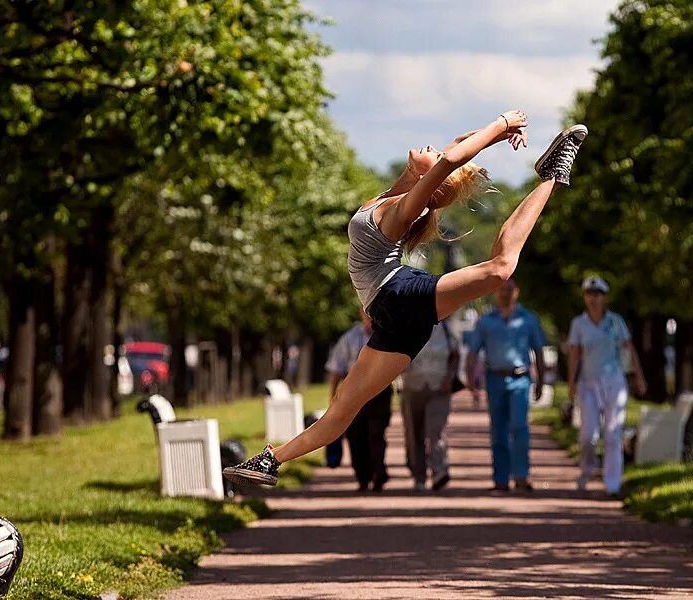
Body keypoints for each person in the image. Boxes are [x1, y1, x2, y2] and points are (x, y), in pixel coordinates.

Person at [223, 110, 588, 487]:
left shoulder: (402, 212)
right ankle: (270, 460)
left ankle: (553, 176)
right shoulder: (392, 194)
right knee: (342, 410)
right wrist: (497, 136)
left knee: (500, 268)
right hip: (391, 317)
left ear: (432, 182)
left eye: (436, 165)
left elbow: (449, 160)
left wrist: (500, 123)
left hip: (399, 296)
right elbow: (453, 150)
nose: (433, 147)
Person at [566, 275, 647, 498]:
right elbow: (574, 355)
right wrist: (572, 383)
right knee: (588, 435)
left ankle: (612, 483)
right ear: (585, 298)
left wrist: (638, 376)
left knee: (613, 433)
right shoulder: (579, 324)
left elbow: (628, 349)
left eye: (598, 294)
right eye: (589, 294)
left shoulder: (615, 321)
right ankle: (588, 469)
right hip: (588, 383)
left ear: (604, 298)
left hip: (614, 381)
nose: (593, 299)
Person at [466, 279, 546, 492]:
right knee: (498, 429)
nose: (505, 294)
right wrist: (470, 378)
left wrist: (541, 380)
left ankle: (521, 475)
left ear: (516, 292)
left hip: (520, 379)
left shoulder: (528, 320)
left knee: (519, 426)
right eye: (501, 290)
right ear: (495, 293)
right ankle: (501, 478)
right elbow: (473, 351)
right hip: (495, 379)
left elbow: (538, 350)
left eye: (509, 289)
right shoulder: (486, 322)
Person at [325, 311, 393, 492]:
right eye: (367, 314)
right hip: (354, 392)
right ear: (361, 315)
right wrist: (333, 397)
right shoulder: (350, 338)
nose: (371, 318)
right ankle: (363, 476)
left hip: (380, 391)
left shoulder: (388, 333)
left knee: (376, 433)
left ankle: (379, 472)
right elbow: (336, 368)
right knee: (356, 435)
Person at [401, 320, 459, 491]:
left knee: (436, 430)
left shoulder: (446, 328)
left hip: (439, 387)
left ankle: (439, 471)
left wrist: (449, 378)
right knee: (413, 432)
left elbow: (455, 354)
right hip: (412, 386)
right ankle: (418, 475)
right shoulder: (405, 326)